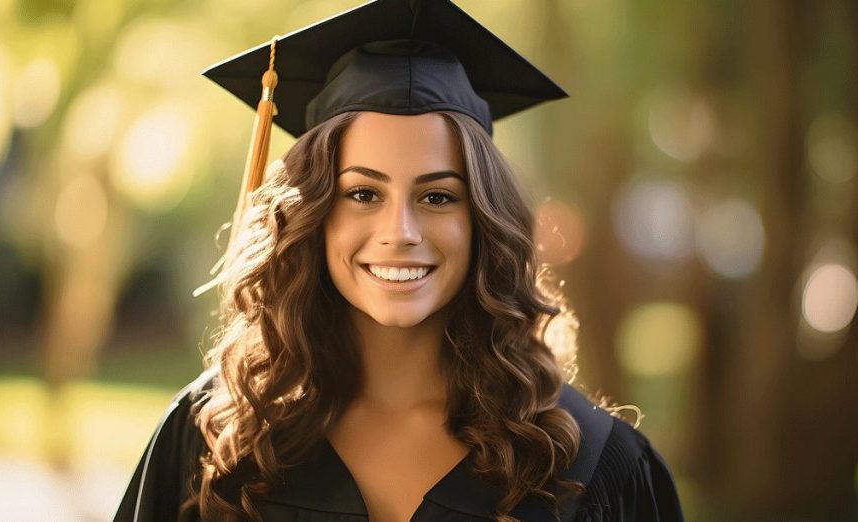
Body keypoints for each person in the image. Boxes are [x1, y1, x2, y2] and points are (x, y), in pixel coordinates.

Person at [114, 0, 684, 521]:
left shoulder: (586, 461)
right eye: (363, 193)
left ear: (483, 219)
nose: (401, 233)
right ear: (312, 213)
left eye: (437, 197)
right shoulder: (218, 437)